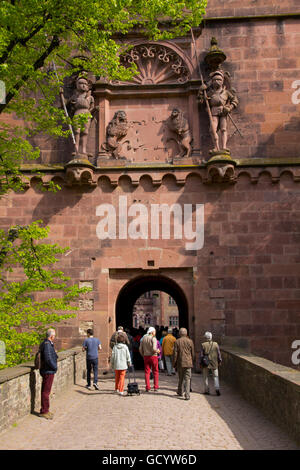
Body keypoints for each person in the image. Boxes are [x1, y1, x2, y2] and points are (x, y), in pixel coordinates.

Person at [198, 70, 238, 152]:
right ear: (212, 82)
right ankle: (216, 147)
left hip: (223, 111)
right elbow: (200, 102)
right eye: (214, 80)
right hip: (213, 111)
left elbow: (235, 100)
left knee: (223, 129)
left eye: (219, 80)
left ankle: (223, 147)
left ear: (222, 81)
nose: (216, 81)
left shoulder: (226, 92)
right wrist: (201, 92)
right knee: (212, 129)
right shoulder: (210, 93)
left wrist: (229, 108)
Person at [39, 328, 58, 419]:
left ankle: (46, 409)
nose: (54, 337)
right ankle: (44, 411)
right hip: (48, 370)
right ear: (51, 336)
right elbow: (48, 358)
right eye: (54, 336)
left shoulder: (48, 344)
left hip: (48, 370)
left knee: (46, 391)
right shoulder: (47, 344)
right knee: (46, 392)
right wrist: (54, 367)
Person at [173, 328, 195, 401]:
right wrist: (193, 360)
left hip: (180, 362)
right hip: (188, 362)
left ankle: (180, 391)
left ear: (180, 333)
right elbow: (193, 353)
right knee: (187, 378)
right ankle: (187, 395)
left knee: (181, 377)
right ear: (186, 333)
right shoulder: (190, 341)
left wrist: (174, 363)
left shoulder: (177, 341)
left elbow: (175, 354)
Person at [200, 331, 222, 396]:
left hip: (205, 363)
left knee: (205, 377)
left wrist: (200, 363)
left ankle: (206, 390)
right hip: (214, 362)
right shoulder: (216, 344)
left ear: (206, 337)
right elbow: (219, 354)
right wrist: (220, 360)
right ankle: (217, 388)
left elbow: (201, 355)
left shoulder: (203, 344)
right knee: (216, 376)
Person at [139, 327, 160, 392]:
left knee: (147, 372)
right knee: (155, 371)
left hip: (146, 356)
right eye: (155, 331)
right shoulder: (153, 338)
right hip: (153, 356)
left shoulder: (143, 339)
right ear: (152, 332)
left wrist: (143, 355)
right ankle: (155, 386)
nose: (155, 333)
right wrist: (157, 351)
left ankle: (147, 387)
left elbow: (140, 349)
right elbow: (154, 349)